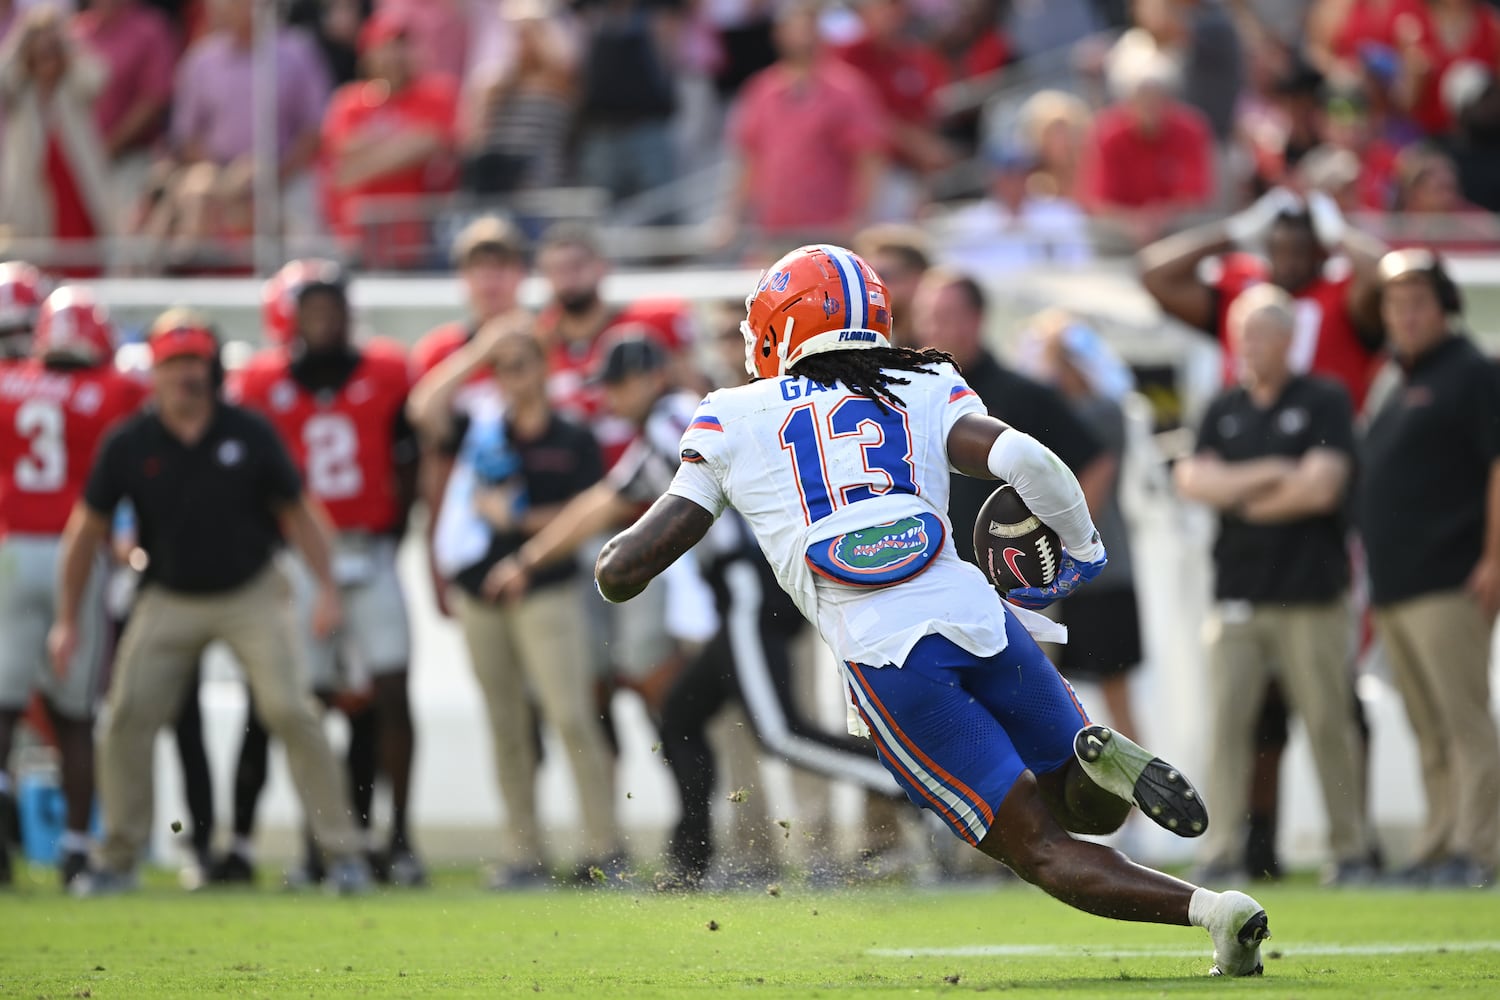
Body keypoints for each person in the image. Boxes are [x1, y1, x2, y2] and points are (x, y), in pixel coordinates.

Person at [593, 243, 1271, 977]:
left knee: (1038, 846)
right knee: (1088, 808)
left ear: (782, 326)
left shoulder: (732, 414)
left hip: (889, 654)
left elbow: (628, 568)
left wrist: (612, 564)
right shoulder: (925, 376)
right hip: (982, 618)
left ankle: (1214, 912)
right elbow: (1031, 462)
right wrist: (1081, 551)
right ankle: (1095, 752)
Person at [53, 310, 372, 896]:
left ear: (213, 366)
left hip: (249, 591)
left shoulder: (247, 432)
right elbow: (85, 531)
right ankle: (119, 857)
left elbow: (299, 514)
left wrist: (326, 588)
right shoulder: (130, 441)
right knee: (125, 717)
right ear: (154, 371)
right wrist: (67, 618)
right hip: (167, 594)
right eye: (173, 363)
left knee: (291, 710)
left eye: (194, 361)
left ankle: (343, 854)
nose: (184, 376)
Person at [409, 318, 625, 889]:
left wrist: (521, 522)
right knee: (506, 725)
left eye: (521, 363)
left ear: (546, 367)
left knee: (571, 717)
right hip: (481, 592)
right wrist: (478, 350)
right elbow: (423, 409)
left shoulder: (572, 436)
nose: (511, 376)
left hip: (547, 590)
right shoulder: (482, 427)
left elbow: (596, 510)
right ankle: (524, 852)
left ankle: (604, 848)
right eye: (501, 367)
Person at [227, 262, 424, 886]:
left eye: (332, 308)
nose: (324, 320)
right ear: (291, 318)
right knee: (301, 703)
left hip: (371, 547)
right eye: (311, 309)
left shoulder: (387, 371)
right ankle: (320, 840)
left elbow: (410, 453)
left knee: (392, 689)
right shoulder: (263, 383)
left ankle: (399, 836)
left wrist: (399, 525)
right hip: (302, 557)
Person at [1172, 283, 1376, 885]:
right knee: (1226, 727)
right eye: (1241, 336)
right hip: (1236, 592)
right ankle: (1220, 851)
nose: (1247, 347)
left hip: (1311, 594)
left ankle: (1351, 849)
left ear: (1289, 339)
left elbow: (1322, 488)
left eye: (1259, 335)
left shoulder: (1323, 399)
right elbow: (1193, 481)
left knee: (1327, 722)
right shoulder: (1223, 405)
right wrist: (1274, 474)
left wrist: (1236, 491)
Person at [1356, 249, 1500, 888]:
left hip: (1451, 577)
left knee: (1465, 723)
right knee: (1428, 727)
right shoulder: (1392, 376)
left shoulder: (1474, 371)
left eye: (1417, 302)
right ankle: (1441, 845)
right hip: (1397, 584)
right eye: (1394, 303)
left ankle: (1483, 850)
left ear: (1445, 305)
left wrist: (1495, 559)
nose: (1404, 315)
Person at [0, 288, 147, 887]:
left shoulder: (7, 382)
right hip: (76, 550)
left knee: (3, 708)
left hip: (10, 549)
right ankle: (76, 848)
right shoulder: (115, 389)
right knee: (75, 712)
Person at [1138, 186, 1388, 409]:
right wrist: (1233, 232)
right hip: (1245, 432)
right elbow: (1153, 275)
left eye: (1299, 252)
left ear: (1319, 253)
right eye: (1281, 250)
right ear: (1267, 248)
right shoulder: (1242, 295)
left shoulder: (1342, 295)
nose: (1289, 263)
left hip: (1320, 439)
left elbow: (1385, 276)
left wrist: (1338, 232)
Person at [1015, 313, 1143, 743]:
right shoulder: (1051, 411)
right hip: (1059, 575)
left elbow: (1089, 484)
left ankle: (1137, 796)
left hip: (1101, 571)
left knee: (1114, 692)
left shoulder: (1103, 412)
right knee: (1056, 698)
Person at [409, 215, 531, 616]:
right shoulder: (440, 351)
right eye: (479, 269)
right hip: (472, 522)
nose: (490, 281)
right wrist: (485, 347)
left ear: (520, 274)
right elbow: (426, 423)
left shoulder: (547, 339)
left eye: (501, 268)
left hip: (543, 517)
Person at [321, 10, 459, 269]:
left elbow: (430, 143)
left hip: (421, 237)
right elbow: (341, 152)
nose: (395, 56)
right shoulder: (349, 101)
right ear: (368, 54)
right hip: (358, 237)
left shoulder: (437, 93)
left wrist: (361, 165)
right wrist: (405, 144)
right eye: (385, 47)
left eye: (403, 47)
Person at [0, 6, 113, 275]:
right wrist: (23, 36)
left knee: (83, 259)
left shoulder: (72, 87)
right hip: (34, 193)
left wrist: (64, 38)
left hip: (76, 190)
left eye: (52, 52)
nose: (46, 60)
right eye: (40, 54)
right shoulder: (22, 94)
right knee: (35, 261)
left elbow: (99, 75)